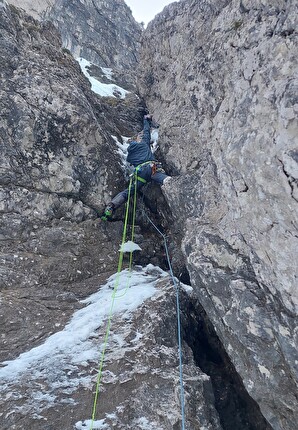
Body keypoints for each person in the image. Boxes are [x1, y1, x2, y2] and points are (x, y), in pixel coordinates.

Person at [101, 114, 170, 221]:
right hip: (150, 168)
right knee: (157, 175)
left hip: (140, 175)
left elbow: (129, 164)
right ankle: (166, 180)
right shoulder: (143, 144)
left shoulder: (129, 156)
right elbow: (146, 131)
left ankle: (112, 205)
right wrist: (146, 120)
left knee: (129, 191)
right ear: (138, 140)